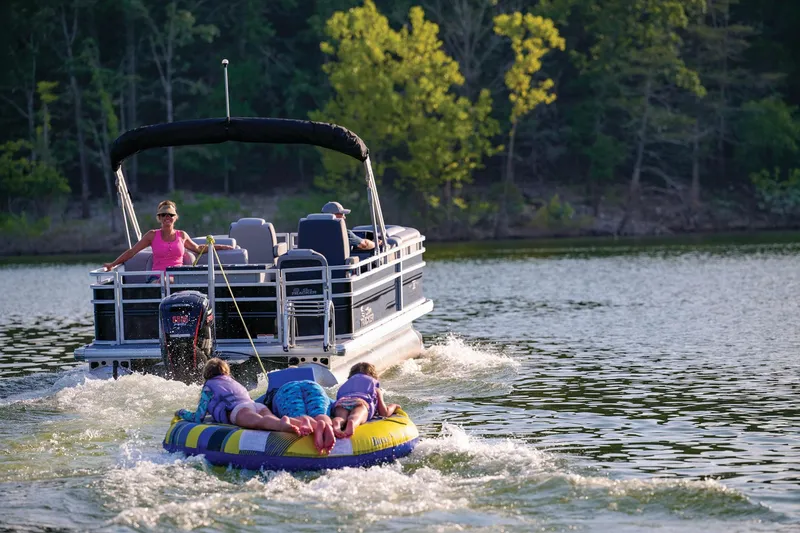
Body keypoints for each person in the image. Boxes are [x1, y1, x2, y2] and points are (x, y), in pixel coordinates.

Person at [102, 200, 234, 278]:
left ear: (175, 217)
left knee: (173, 283)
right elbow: (132, 252)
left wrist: (221, 247)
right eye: (163, 215)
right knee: (162, 283)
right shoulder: (152, 235)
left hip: (178, 277)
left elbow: (198, 249)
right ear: (159, 218)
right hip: (157, 277)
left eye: (170, 215)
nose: (167, 217)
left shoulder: (182, 235)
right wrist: (112, 264)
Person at [175, 358, 307, 435]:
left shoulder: (209, 387)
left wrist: (182, 412)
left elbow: (199, 417)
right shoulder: (233, 382)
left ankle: (282, 424)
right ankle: (300, 423)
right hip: (256, 405)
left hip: (239, 410)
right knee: (269, 418)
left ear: (207, 373)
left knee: (260, 422)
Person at [331, 362, 399, 438]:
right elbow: (384, 413)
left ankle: (337, 423)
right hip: (360, 402)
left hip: (342, 402)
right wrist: (393, 406)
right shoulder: (375, 388)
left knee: (341, 417)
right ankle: (352, 422)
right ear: (373, 376)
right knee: (356, 415)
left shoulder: (346, 384)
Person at [270, 380, 336, 454]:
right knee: (319, 411)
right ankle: (326, 423)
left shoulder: (273, 394)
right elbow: (333, 404)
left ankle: (305, 420)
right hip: (313, 386)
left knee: (296, 412)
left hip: (286, 389)